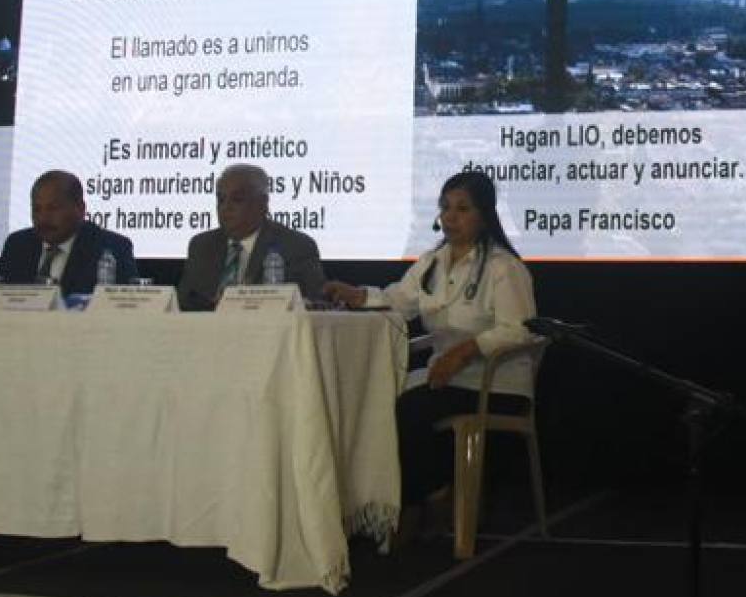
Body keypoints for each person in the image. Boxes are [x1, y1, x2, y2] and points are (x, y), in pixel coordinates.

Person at [328, 170, 537, 523]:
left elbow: (520, 330)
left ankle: (415, 505)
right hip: (444, 376)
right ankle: (417, 498)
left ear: (484, 214)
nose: (450, 217)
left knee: (410, 410)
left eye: (462, 209)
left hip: (494, 383)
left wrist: (464, 351)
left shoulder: (503, 267)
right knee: (373, 404)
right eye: (445, 207)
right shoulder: (432, 262)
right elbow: (399, 300)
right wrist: (358, 295)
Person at [180, 163, 326, 311]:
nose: (226, 208)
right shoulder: (202, 246)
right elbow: (184, 304)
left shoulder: (296, 247)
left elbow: (313, 305)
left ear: (262, 203)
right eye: (221, 200)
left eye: (237, 200)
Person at [0, 169, 136, 294]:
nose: (43, 218)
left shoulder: (112, 248)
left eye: (53, 208)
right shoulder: (17, 245)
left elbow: (123, 307)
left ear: (80, 209)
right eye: (37, 209)